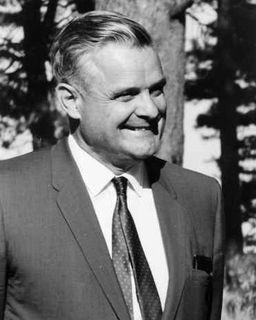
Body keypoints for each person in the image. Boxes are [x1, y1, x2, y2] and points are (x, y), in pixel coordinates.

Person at [0, 11, 224, 320]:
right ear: (70, 101)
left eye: (156, 89)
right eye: (126, 95)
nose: (150, 109)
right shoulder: (8, 196)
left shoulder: (201, 196)